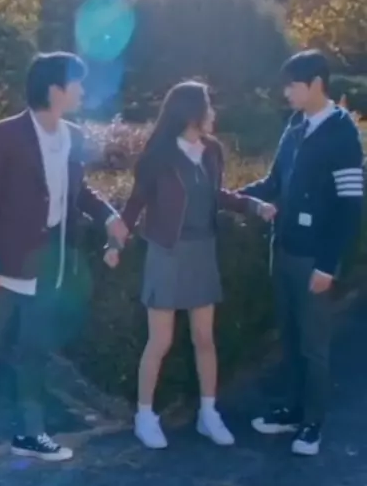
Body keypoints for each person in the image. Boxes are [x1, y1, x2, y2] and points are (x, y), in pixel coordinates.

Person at [0, 51, 128, 480]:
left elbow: (80, 191)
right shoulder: (5, 134)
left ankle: (30, 433)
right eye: (77, 82)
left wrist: (109, 216)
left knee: (35, 352)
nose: (82, 90)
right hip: (6, 267)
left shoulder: (73, 136)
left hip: (50, 268)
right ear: (54, 88)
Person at [104, 81, 275, 450]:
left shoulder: (212, 151)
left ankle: (208, 414)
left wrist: (253, 205)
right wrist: (115, 243)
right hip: (167, 252)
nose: (212, 113)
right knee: (160, 340)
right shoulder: (158, 156)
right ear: (190, 112)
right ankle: (145, 416)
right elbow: (135, 204)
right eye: (207, 107)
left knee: (204, 338)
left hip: (202, 250)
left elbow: (216, 195)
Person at [238, 50, 364, 456]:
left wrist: (328, 264)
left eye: (292, 85)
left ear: (315, 84)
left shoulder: (342, 133)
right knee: (289, 337)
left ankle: (313, 423)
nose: (287, 93)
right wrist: (232, 198)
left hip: (314, 259)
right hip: (284, 249)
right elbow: (274, 181)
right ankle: (291, 409)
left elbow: (350, 205)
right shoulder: (295, 126)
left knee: (314, 345)